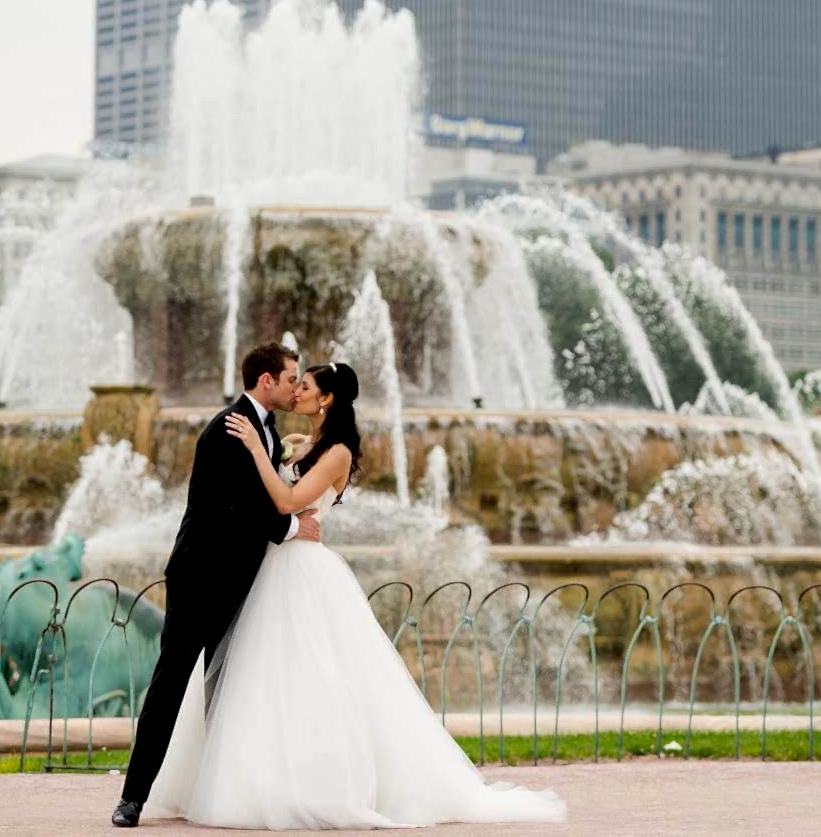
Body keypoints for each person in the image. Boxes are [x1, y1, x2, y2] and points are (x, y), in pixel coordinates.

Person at [142, 361, 566, 830]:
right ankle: (261, 776)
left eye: (305, 386)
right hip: (272, 568)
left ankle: (315, 785)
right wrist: (275, 454)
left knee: (312, 678)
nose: (297, 391)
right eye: (294, 382)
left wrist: (257, 452)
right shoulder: (309, 445)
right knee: (265, 679)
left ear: (326, 399)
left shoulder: (338, 452)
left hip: (301, 574)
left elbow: (285, 502)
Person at [112, 343, 321, 828]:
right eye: (291, 378)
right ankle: (132, 798)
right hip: (200, 578)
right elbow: (243, 505)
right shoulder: (230, 429)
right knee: (171, 684)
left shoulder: (264, 432)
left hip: (241, 582)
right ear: (266, 380)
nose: (295, 387)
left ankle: (224, 795)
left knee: (228, 690)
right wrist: (293, 530)